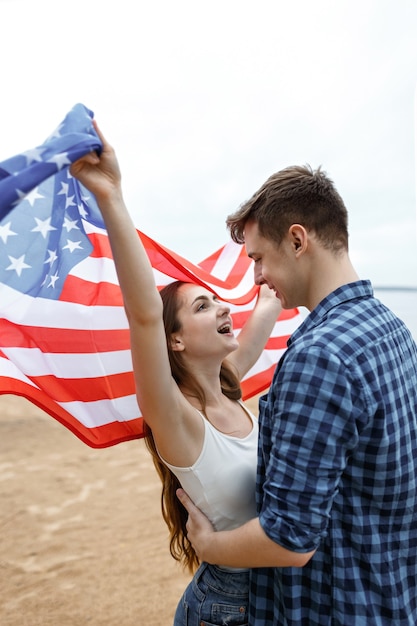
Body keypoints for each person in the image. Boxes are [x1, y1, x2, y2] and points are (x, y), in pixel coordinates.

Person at [177, 164, 417, 625]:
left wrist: (209, 546)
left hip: (338, 606)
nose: (258, 277)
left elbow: (289, 540)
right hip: (392, 595)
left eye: (259, 258)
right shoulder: (393, 329)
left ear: (297, 240)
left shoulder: (320, 356)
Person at [70, 122, 282, 626]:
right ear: (176, 340)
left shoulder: (228, 388)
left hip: (273, 592)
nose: (223, 308)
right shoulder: (177, 418)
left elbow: (258, 323)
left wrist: (274, 285)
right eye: (204, 306)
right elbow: (144, 312)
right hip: (227, 606)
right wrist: (111, 194)